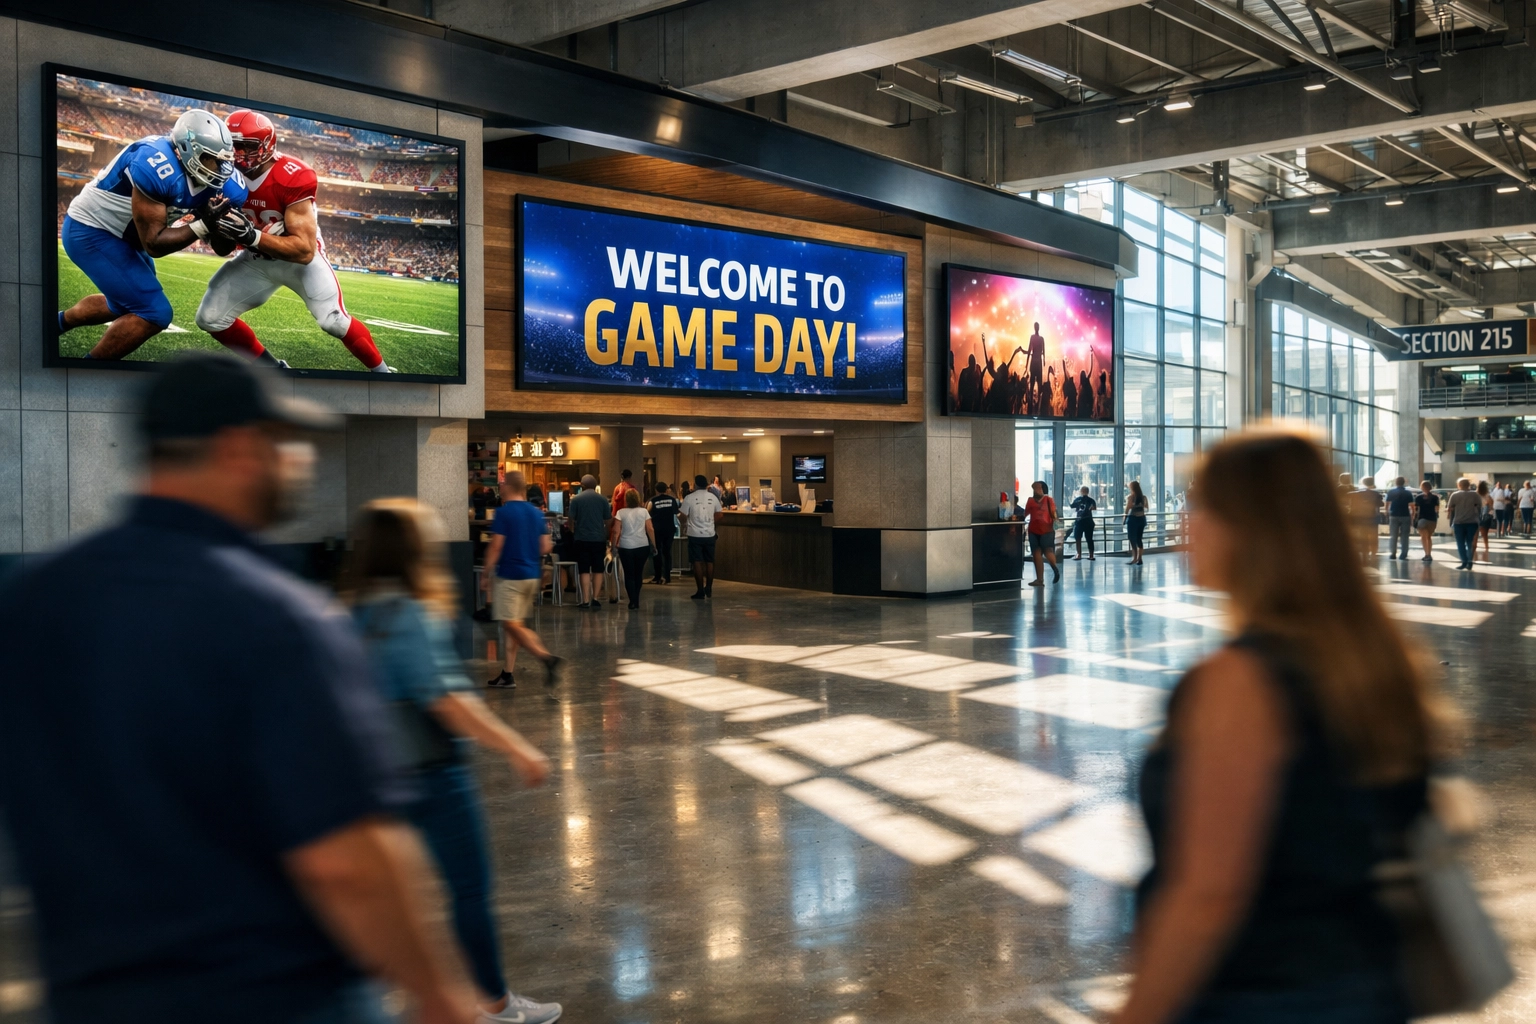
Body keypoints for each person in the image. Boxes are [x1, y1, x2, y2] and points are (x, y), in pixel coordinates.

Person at [0, 352, 478, 1024]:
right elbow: (345, 856)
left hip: (90, 994)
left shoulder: (38, 597)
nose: (299, 460)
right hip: (270, 995)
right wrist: (438, 996)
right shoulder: (276, 614)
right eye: (285, 442)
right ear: (239, 449)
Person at [1116, 428, 1448, 1024]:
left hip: (1259, 995)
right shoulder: (1375, 660)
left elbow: (1208, 895)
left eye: (1202, 506)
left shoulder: (1239, 683)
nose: (1186, 527)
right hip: (1363, 986)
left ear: (1251, 528)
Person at [344, 500, 560, 1024]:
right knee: (467, 891)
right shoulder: (412, 614)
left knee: (392, 897)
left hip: (373, 774)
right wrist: (517, 746)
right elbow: (447, 700)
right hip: (433, 772)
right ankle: (495, 1006)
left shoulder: (353, 611)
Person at [195, 109, 395, 372]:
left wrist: (252, 235)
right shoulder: (221, 175)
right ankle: (273, 369)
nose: (238, 154)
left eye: (246, 146)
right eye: (233, 146)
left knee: (334, 321)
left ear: (267, 145)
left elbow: (303, 250)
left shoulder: (292, 175)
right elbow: (223, 250)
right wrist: (216, 225)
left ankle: (382, 373)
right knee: (210, 318)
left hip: (298, 263)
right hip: (257, 260)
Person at [57, 109, 249, 360]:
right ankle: (85, 371)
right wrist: (204, 225)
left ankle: (56, 324)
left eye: (224, 160)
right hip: (93, 229)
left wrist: (230, 228)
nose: (220, 168)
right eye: (212, 159)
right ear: (187, 149)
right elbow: (154, 245)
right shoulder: (155, 163)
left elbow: (223, 249)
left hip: (127, 236)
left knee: (122, 304)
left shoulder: (226, 183)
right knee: (154, 312)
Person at [481, 472, 563, 692]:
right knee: (514, 626)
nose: (501, 488)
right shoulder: (536, 514)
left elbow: (496, 546)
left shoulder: (504, 512)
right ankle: (507, 674)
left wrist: (485, 573)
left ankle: (546, 658)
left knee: (510, 625)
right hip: (530, 576)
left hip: (510, 576)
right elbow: (546, 547)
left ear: (509, 486)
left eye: (502, 484)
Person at [568, 474, 611, 609]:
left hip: (582, 538)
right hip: (598, 539)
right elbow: (608, 521)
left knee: (584, 570)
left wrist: (573, 531)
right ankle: (596, 598)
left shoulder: (576, 500)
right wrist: (606, 534)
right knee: (598, 569)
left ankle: (585, 600)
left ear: (582, 486)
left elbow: (570, 520)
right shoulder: (603, 499)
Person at [680, 473, 724, 600]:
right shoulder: (713, 497)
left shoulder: (689, 498)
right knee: (710, 561)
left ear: (696, 484)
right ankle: (709, 587)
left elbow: (682, 515)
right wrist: (710, 521)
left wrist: (685, 522)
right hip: (710, 534)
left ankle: (700, 590)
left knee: (697, 562)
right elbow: (720, 515)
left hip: (694, 534)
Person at [611, 490, 657, 609]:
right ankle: (636, 598)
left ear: (626, 499)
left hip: (626, 546)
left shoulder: (621, 513)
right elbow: (650, 529)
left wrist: (614, 546)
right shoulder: (644, 512)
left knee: (629, 574)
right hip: (642, 545)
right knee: (638, 573)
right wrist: (654, 545)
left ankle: (632, 601)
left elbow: (616, 531)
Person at [1023, 480, 1060, 586]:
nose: (1035, 490)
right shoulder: (1030, 500)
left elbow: (1054, 513)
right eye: (1034, 488)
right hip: (1034, 530)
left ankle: (1054, 568)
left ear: (1043, 489)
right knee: (1036, 553)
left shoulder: (1048, 500)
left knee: (1047, 551)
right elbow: (1026, 513)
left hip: (1046, 530)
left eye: (1038, 488)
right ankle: (1040, 579)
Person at [1446, 477, 1483, 570]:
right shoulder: (1474, 495)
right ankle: (1469, 561)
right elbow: (1479, 506)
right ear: (1468, 485)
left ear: (1459, 485)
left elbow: (1449, 508)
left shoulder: (1454, 495)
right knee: (1470, 542)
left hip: (1459, 522)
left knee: (1460, 543)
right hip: (1472, 522)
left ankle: (1464, 561)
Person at [648, 482, 680, 583]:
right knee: (667, 552)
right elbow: (677, 512)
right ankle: (667, 576)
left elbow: (647, 513)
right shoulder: (672, 500)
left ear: (656, 490)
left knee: (657, 552)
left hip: (657, 530)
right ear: (666, 490)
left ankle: (657, 576)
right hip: (669, 529)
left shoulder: (652, 501)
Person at [1349, 476, 1382, 563]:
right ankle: (1373, 554)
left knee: (1363, 537)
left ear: (1363, 483)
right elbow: (1380, 504)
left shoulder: (1356, 494)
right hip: (1373, 519)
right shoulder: (1376, 494)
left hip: (1361, 519)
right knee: (1374, 537)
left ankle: (1364, 554)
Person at [1383, 476, 1414, 560]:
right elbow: (1412, 505)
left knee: (1393, 535)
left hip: (1394, 515)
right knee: (1405, 536)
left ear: (1396, 483)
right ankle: (1403, 554)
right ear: (1403, 483)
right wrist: (1413, 514)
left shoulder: (1391, 492)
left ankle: (1393, 553)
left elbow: (1387, 504)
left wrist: (1387, 512)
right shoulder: (1408, 493)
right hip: (1405, 515)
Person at [1413, 481, 1441, 562]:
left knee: (1423, 537)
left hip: (1421, 519)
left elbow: (1416, 510)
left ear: (1422, 487)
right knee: (1429, 537)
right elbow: (1437, 509)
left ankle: (1426, 554)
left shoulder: (1418, 498)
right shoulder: (1435, 497)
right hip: (1432, 519)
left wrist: (1414, 519)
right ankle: (1429, 554)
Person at [1070, 485, 1098, 561]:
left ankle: (1079, 554)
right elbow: (1094, 507)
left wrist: (1073, 496)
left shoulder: (1078, 499)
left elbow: (1072, 506)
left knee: (1078, 538)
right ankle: (1091, 554)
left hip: (1080, 521)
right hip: (1088, 521)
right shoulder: (1091, 500)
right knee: (1089, 538)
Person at [1125, 480, 1149, 565]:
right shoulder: (1144, 497)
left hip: (1132, 519)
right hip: (1141, 519)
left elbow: (1127, 509)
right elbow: (1146, 508)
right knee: (1139, 539)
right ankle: (1140, 558)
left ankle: (1134, 558)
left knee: (1132, 538)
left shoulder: (1131, 497)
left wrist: (1124, 519)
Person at [1476, 480, 1495, 561]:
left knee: (1475, 533)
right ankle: (1486, 547)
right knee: (1485, 534)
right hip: (1486, 516)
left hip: (1476, 515)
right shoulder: (1487, 495)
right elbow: (1491, 503)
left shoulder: (1475, 494)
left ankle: (1474, 546)